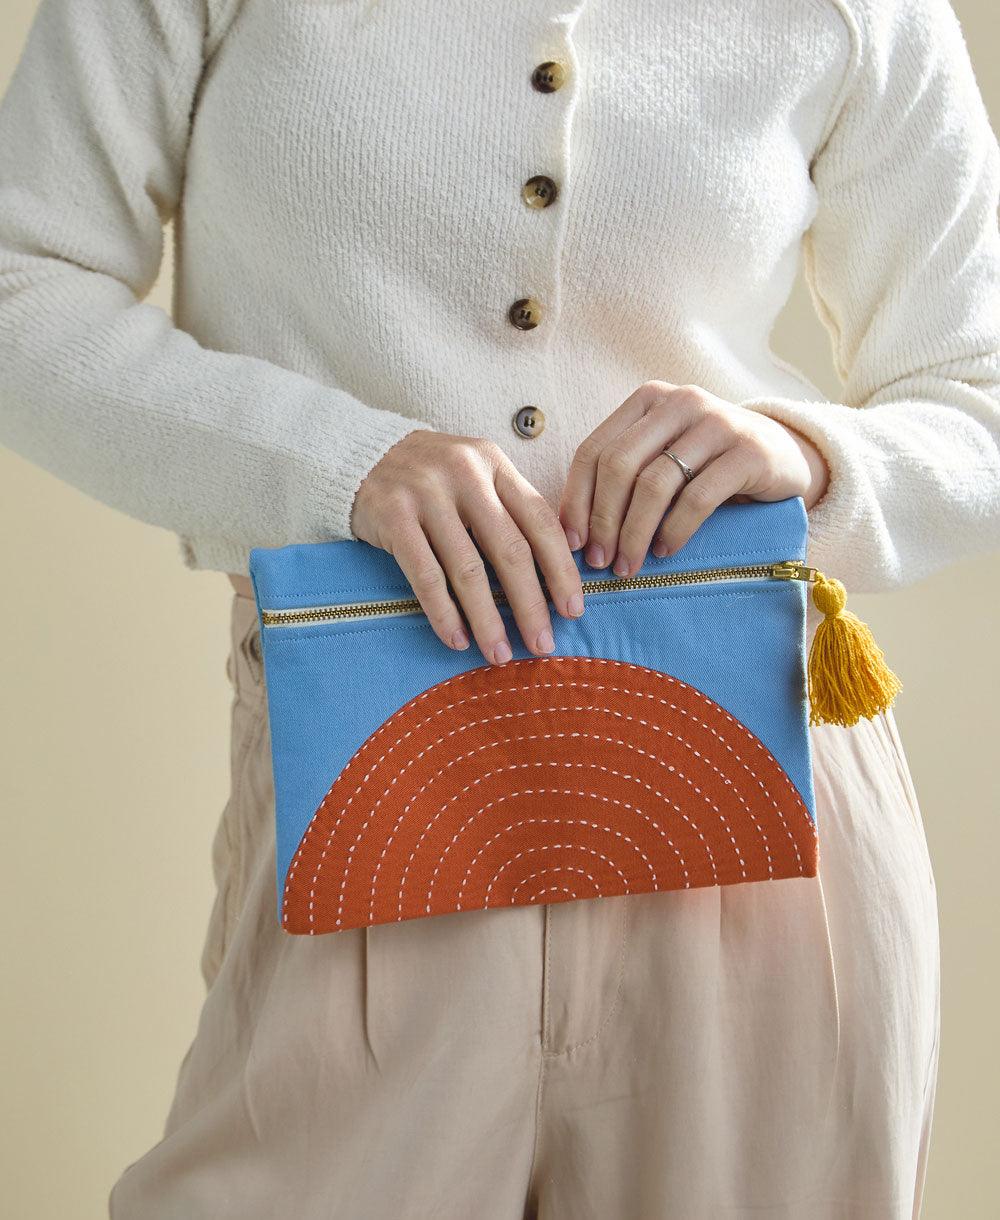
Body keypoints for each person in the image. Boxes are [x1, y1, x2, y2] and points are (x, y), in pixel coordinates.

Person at [0, 0, 996, 1214]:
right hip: (370, 766)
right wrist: (340, 461)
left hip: (756, 783)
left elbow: (974, 390)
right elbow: (19, 280)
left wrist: (804, 453)